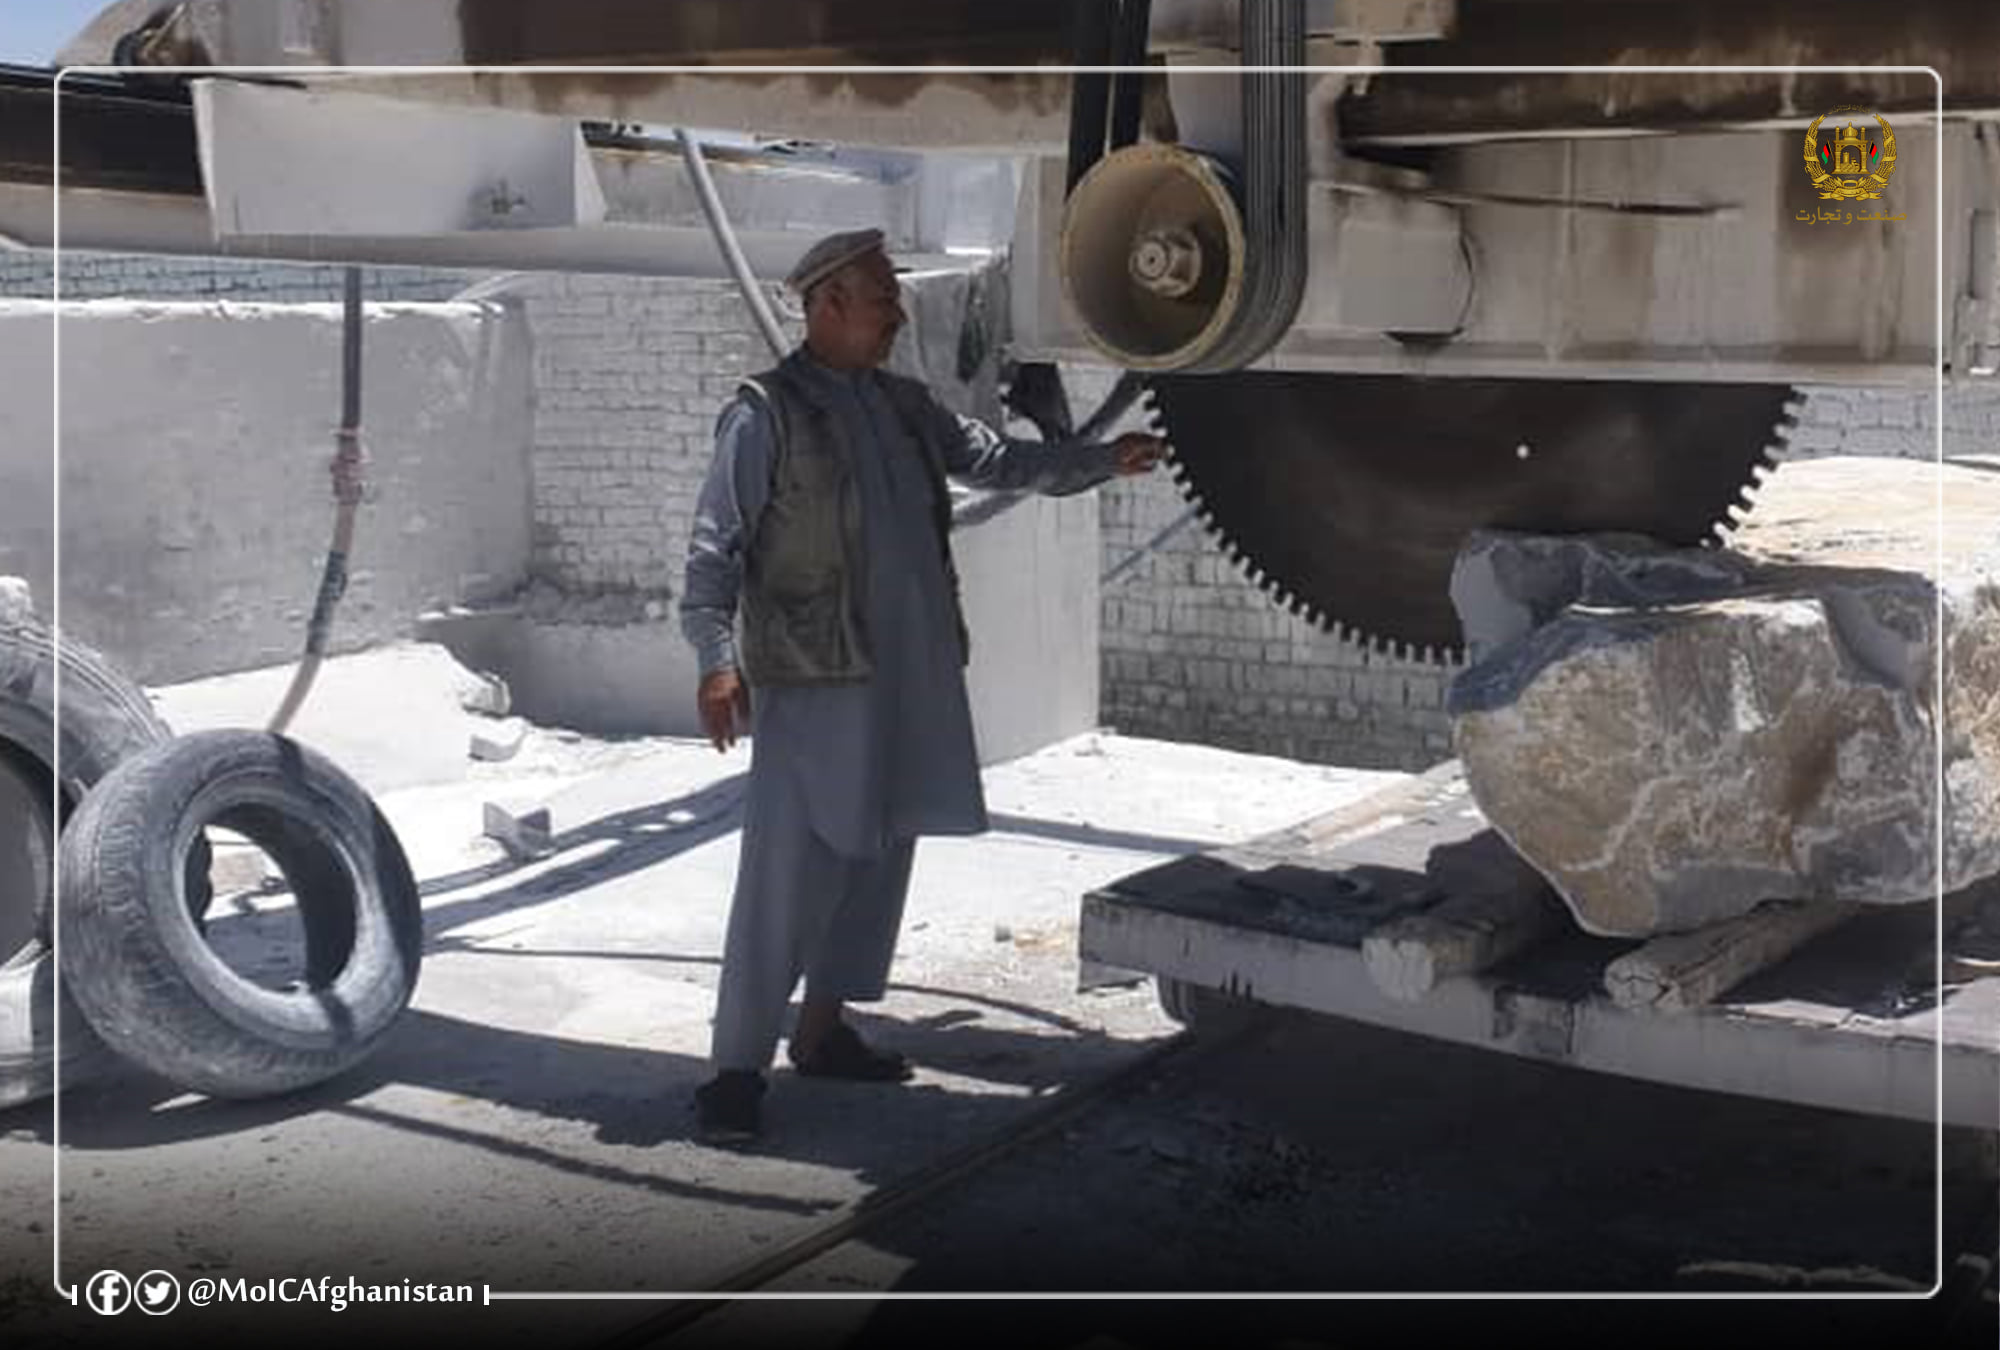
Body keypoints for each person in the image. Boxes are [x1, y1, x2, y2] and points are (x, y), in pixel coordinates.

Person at [679, 227, 1165, 1144]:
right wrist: (714, 658)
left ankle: (821, 1036)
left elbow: (998, 464)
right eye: (881, 298)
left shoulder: (904, 405)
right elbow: (715, 549)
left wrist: (1103, 458)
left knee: (876, 857)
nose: (899, 312)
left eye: (894, 296)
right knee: (789, 868)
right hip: (816, 678)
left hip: (909, 673)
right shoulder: (763, 414)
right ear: (826, 306)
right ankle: (733, 1071)